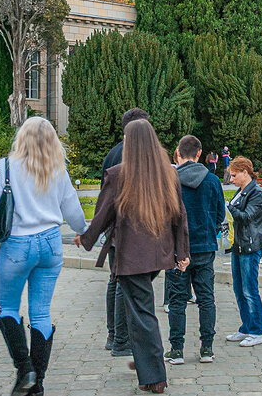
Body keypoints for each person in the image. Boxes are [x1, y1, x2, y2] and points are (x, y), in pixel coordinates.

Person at [77, 119, 190, 394]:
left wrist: (85, 239)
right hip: (158, 254)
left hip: (131, 256)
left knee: (141, 313)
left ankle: (154, 376)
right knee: (138, 309)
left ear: (131, 143)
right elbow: (180, 216)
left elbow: (102, 214)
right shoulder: (168, 174)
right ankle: (144, 362)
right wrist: (182, 252)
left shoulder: (117, 175)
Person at [0, 117, 87, 396]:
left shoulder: (7, 166)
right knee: (41, 312)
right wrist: (84, 232)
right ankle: (36, 385)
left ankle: (24, 368)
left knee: (6, 307)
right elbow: (74, 211)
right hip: (51, 244)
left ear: (21, 138)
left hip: (18, 244)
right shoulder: (58, 170)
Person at [164, 134, 225, 367]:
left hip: (178, 249)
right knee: (206, 297)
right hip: (205, 247)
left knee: (177, 300)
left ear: (178, 153)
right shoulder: (211, 180)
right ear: (199, 154)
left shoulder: (170, 180)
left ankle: (176, 349)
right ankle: (207, 347)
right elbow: (221, 213)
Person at [100, 107, 149, 356]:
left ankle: (113, 334)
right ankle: (121, 337)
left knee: (115, 280)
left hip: (113, 228)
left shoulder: (112, 154)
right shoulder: (132, 155)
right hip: (127, 229)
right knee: (122, 282)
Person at [225, 156, 262, 348]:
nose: (231, 179)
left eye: (234, 175)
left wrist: (229, 208)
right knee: (239, 288)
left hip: (251, 246)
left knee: (249, 289)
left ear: (245, 172)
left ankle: (257, 331)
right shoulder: (241, 192)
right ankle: (246, 327)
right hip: (239, 245)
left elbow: (247, 217)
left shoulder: (257, 194)